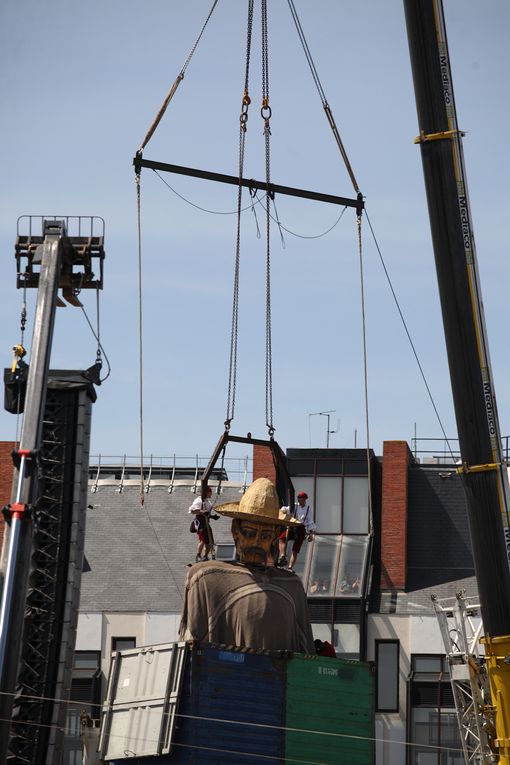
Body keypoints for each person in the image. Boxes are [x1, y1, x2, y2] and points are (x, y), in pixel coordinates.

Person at [179, 477, 315, 653]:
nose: (256, 543)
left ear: (274, 537)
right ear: (235, 530)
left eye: (265, 536)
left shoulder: (292, 586)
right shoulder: (205, 578)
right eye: (249, 533)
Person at [278, 491, 316, 570]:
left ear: (304, 499)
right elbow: (285, 509)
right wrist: (283, 510)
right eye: (298, 497)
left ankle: (290, 567)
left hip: (301, 528)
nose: (299, 499)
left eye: (300, 498)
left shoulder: (308, 509)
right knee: (281, 539)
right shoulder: (294, 506)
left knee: (295, 550)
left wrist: (311, 533)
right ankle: (282, 556)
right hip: (292, 526)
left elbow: (310, 521)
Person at [188, 486, 219, 562]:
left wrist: (212, 516)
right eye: (210, 492)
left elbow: (206, 513)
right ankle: (198, 555)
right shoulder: (199, 500)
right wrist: (202, 512)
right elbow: (192, 510)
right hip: (200, 523)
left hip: (206, 522)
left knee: (210, 541)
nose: (211, 494)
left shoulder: (207, 501)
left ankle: (206, 556)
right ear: (207, 493)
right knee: (203, 540)